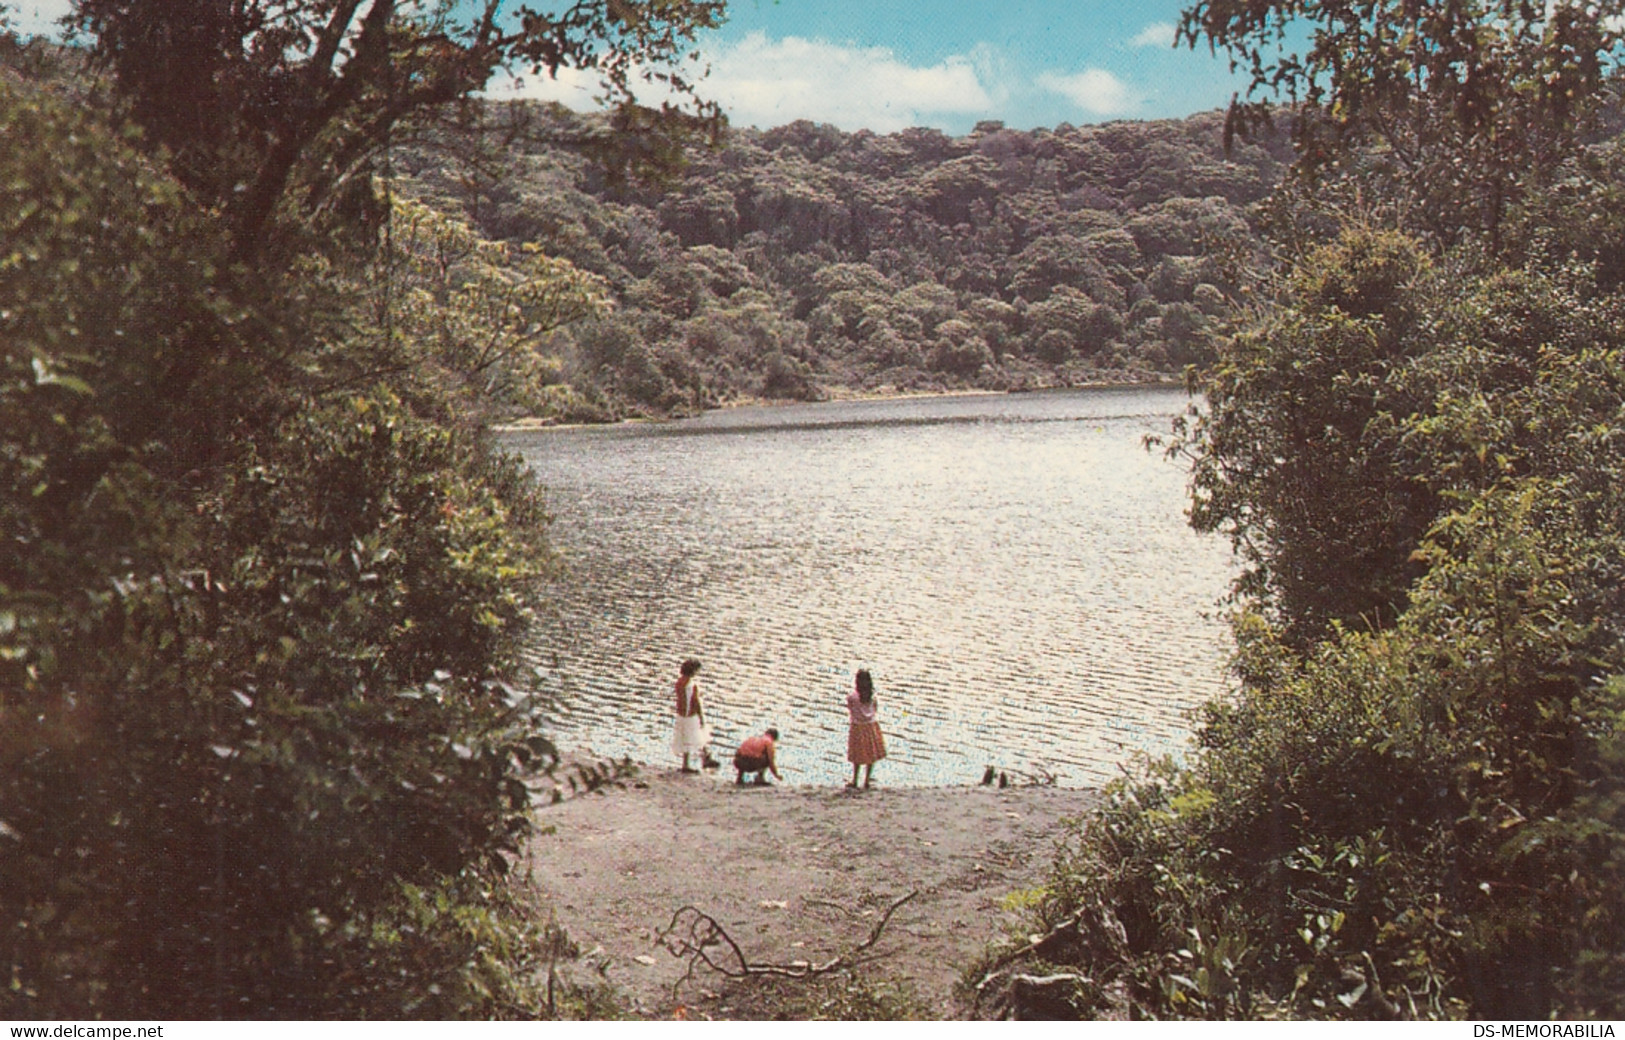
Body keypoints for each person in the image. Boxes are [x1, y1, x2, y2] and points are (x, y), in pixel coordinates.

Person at [846, 668, 887, 789]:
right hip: (871, 726)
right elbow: (875, 710)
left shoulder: (852, 697)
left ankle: (855, 780)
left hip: (858, 727)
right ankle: (867, 780)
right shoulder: (872, 697)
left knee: (857, 754)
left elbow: (851, 710)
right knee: (871, 753)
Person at [672, 658, 709, 774]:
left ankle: (687, 763)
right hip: (689, 715)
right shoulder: (692, 685)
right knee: (693, 737)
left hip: (680, 714)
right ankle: (693, 762)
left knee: (683, 738)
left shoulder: (679, 682)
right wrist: (701, 716)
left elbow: (680, 699)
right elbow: (695, 702)